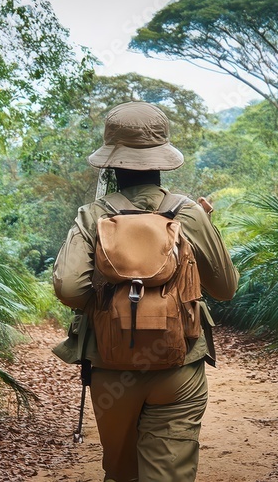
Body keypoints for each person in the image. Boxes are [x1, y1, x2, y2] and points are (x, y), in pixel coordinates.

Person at [51, 101, 239, 482]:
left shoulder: (94, 215)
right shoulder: (188, 212)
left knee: (122, 473)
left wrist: (107, 308)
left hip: (111, 364)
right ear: (161, 160)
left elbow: (70, 288)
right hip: (178, 364)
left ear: (111, 162)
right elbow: (226, 287)